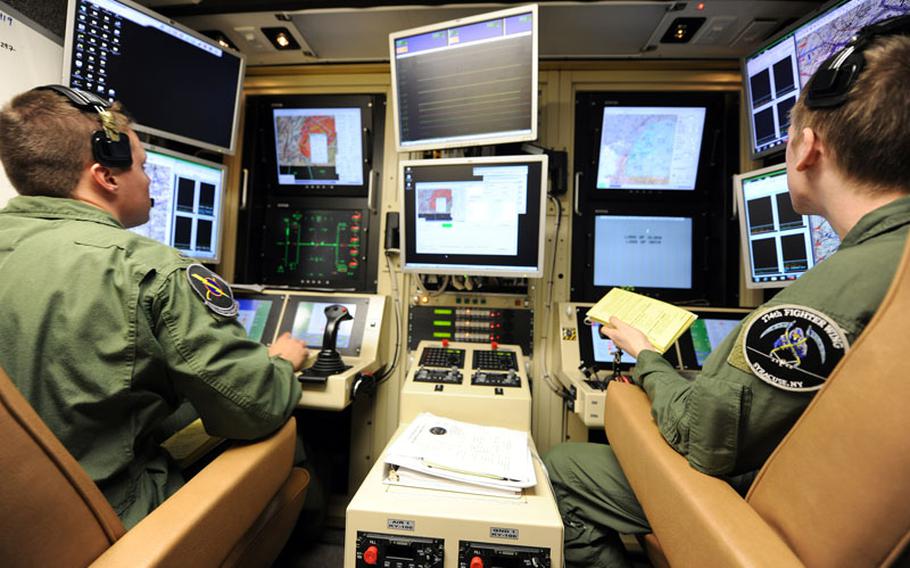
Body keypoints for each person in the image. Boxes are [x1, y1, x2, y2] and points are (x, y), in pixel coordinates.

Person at [543, 21, 910, 568]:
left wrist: (645, 357)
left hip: (756, 512)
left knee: (564, 466)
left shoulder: (836, 290)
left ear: (808, 148)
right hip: (819, 501)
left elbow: (701, 434)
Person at [0, 85, 310, 529]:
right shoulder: (151, 270)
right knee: (288, 437)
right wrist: (279, 364)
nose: (150, 183)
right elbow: (253, 409)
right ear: (106, 176)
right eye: (144, 167)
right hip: (107, 519)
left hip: (19, 526)